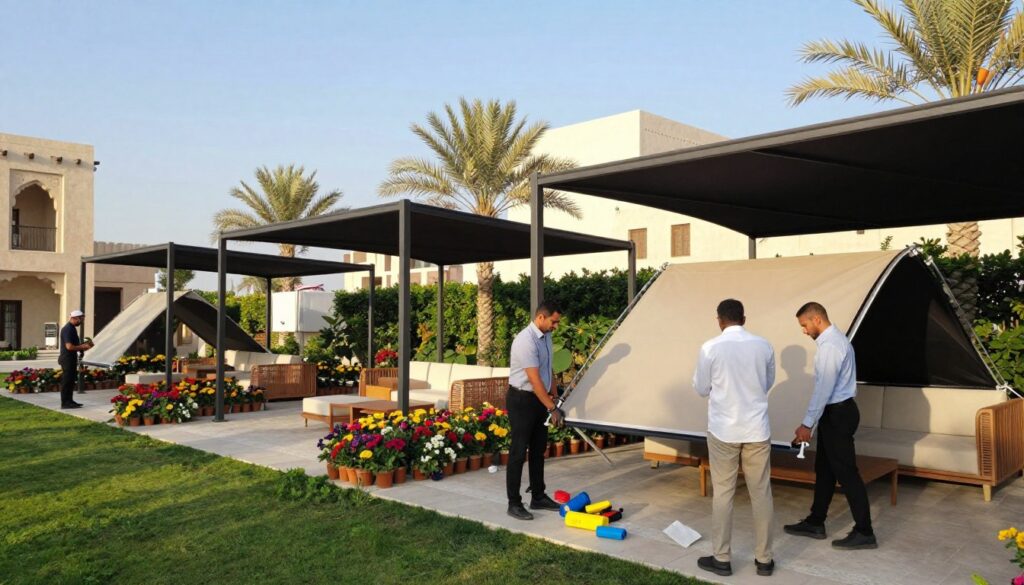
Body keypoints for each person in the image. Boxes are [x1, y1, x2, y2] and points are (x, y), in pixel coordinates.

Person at [693, 299, 776, 578]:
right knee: (761, 493)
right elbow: (767, 383)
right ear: (744, 318)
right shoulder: (764, 345)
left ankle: (722, 559)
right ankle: (764, 560)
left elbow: (702, 388)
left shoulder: (710, 347)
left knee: (724, 493)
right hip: (756, 429)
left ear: (719, 320)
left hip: (723, 430)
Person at [784, 302, 877, 550]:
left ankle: (865, 531)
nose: (803, 331)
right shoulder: (832, 341)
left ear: (816, 320)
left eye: (804, 325)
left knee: (847, 473)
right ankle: (816, 521)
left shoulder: (831, 346)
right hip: (835, 413)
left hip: (838, 414)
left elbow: (823, 390)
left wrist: (806, 424)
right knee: (824, 469)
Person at [505, 300, 564, 521]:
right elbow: (534, 379)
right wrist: (552, 408)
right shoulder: (525, 341)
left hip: (540, 399)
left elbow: (548, 369)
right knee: (518, 453)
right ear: (541, 317)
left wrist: (555, 397)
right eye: (553, 322)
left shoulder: (546, 336)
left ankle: (538, 495)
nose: (555, 326)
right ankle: (514, 503)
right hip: (522, 399)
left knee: (538, 449)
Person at [59, 309, 93, 409]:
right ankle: (65, 403)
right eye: (81, 319)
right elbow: (69, 346)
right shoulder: (68, 329)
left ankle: (70, 401)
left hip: (71, 358)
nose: (81, 321)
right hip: (67, 359)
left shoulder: (72, 328)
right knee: (67, 381)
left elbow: (74, 345)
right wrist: (83, 347)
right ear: (75, 318)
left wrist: (85, 345)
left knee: (70, 381)